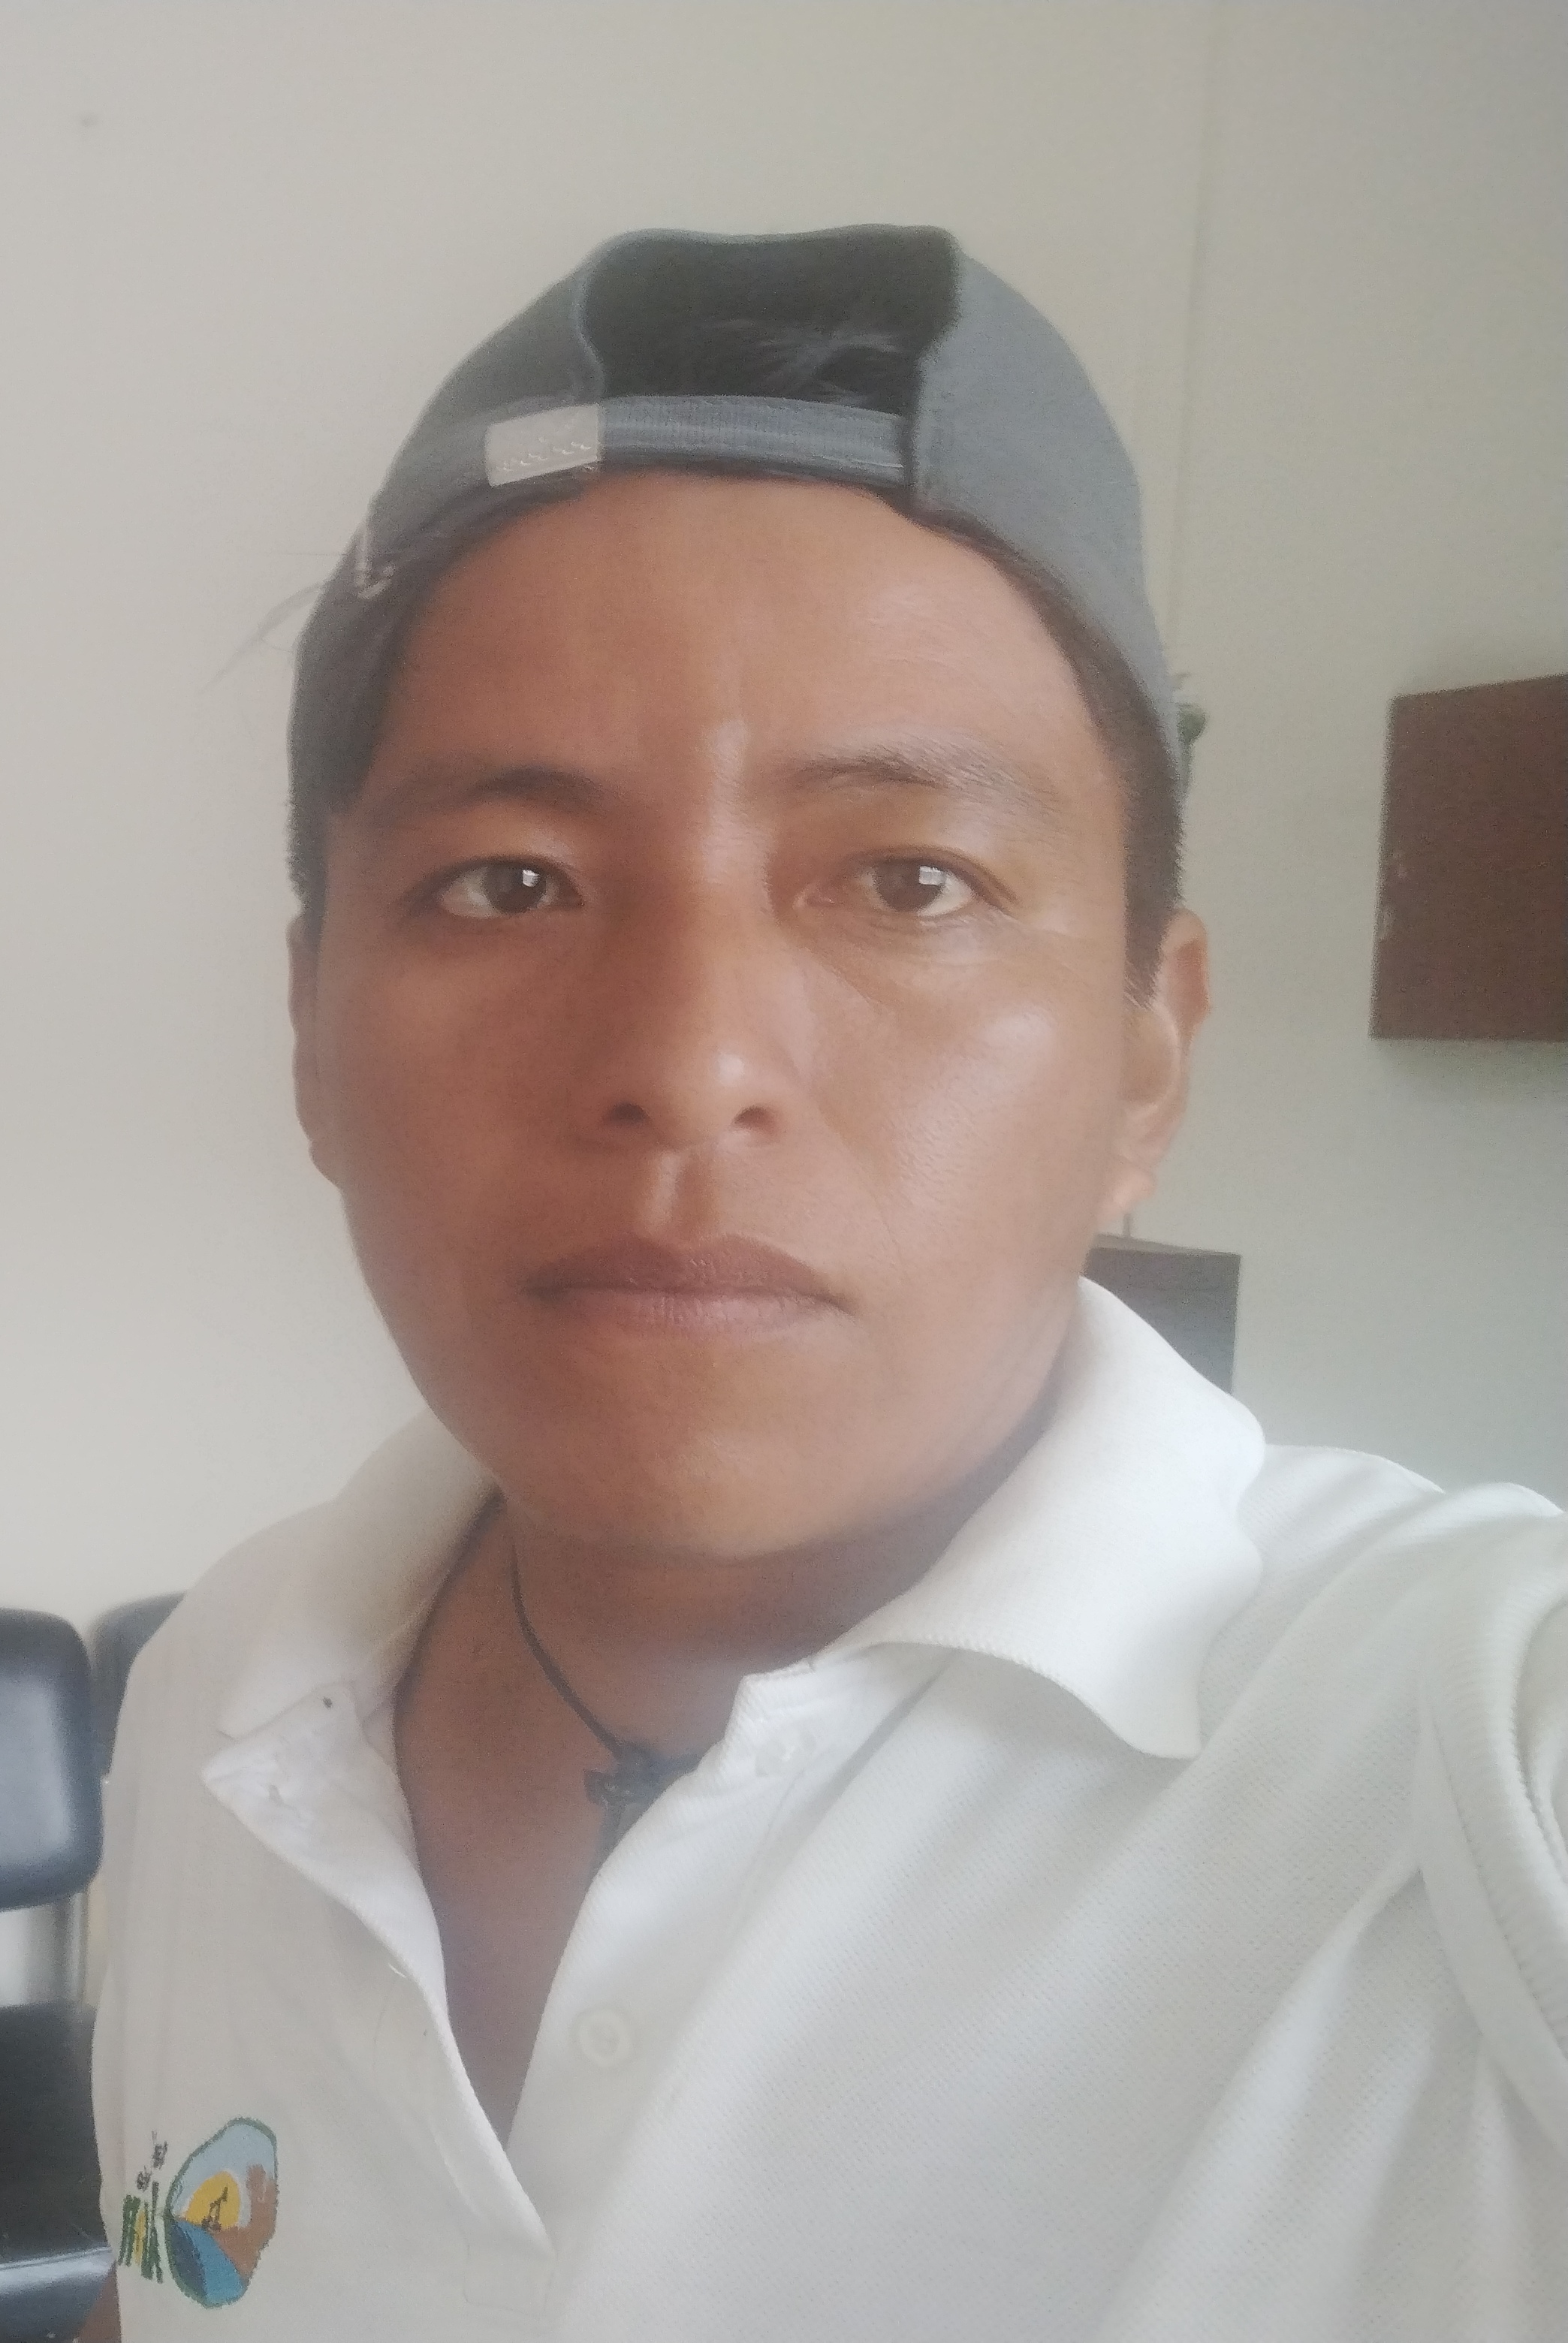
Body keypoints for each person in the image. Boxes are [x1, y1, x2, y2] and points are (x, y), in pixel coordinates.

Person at [80, 225, 1565, 2341]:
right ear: (312, 1033)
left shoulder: (1469, 1762)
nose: (687, 1063)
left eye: (910, 881)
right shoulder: (223, 1690)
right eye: (510, 882)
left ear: (1148, 1055)